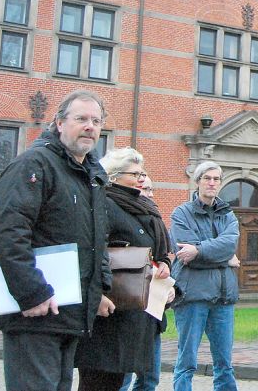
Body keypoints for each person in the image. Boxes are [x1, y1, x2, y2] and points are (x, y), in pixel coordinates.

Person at [0, 89, 114, 391]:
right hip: (35, 313)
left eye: (96, 121)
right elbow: (10, 232)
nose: (90, 126)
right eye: (81, 119)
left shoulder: (91, 175)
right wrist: (31, 292)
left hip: (69, 313)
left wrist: (98, 290)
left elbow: (96, 240)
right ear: (59, 123)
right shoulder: (34, 165)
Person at [74, 148, 174, 391]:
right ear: (114, 176)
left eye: (143, 173)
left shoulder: (143, 207)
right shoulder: (103, 204)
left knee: (117, 380)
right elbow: (93, 252)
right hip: (109, 312)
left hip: (137, 310)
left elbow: (156, 252)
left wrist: (165, 266)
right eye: (135, 174)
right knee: (98, 382)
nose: (142, 179)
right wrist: (98, 292)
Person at [170, 161, 240, 391]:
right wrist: (224, 257)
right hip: (193, 297)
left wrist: (199, 250)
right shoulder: (181, 213)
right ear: (197, 181)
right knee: (187, 361)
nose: (211, 183)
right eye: (207, 178)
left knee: (224, 364)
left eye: (216, 179)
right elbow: (183, 252)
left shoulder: (227, 214)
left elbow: (230, 244)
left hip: (223, 297)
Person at [120, 175, 168, 391]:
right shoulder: (120, 215)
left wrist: (172, 288)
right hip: (127, 308)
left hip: (153, 310)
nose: (149, 194)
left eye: (151, 189)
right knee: (122, 378)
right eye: (144, 188)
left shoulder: (156, 220)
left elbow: (164, 257)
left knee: (150, 378)